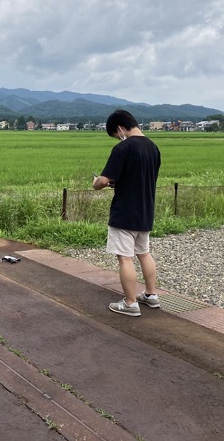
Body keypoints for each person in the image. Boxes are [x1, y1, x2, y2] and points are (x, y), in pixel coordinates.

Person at [93, 109, 161, 316]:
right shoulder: (153, 148)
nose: (117, 138)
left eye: (115, 134)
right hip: (145, 210)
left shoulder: (123, 148)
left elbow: (103, 181)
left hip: (125, 211)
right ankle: (151, 295)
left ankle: (130, 303)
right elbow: (136, 176)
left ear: (120, 128)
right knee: (144, 253)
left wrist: (97, 183)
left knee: (125, 258)